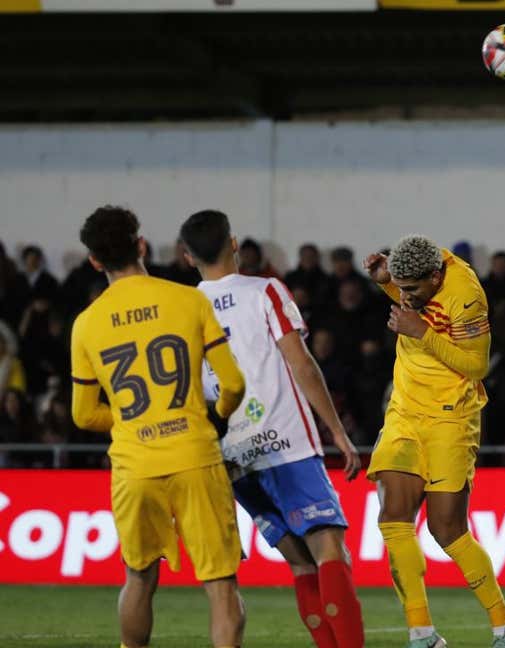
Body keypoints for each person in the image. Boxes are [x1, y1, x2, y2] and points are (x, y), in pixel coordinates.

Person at [180, 210, 365, 648]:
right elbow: (300, 362)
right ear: (234, 243)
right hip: (287, 443)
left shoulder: (184, 307)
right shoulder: (266, 290)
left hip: (233, 456)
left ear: (187, 258)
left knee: (301, 566)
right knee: (330, 553)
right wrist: (336, 432)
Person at [68, 205, 247, 648]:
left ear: (94, 261)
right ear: (141, 246)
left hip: (134, 465)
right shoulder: (189, 300)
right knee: (221, 586)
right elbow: (234, 384)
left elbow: (83, 414)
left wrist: (132, 420)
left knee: (139, 576)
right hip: (194, 455)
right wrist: (215, 414)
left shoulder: (86, 324)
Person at [363, 236, 505, 648]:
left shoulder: (466, 296)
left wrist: (421, 331)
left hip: (451, 415)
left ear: (435, 278)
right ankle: (422, 633)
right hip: (404, 411)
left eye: (411, 290)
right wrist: (385, 281)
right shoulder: (416, 271)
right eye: (400, 288)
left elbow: (476, 364)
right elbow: (405, 290)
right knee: (393, 518)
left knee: (446, 529)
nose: (404, 297)